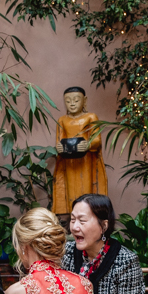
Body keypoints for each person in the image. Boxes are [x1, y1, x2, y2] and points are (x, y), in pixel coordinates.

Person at [51, 87, 109, 217]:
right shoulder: (62, 120)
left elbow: (97, 140)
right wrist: (59, 147)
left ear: (85, 101)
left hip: (85, 162)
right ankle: (73, 218)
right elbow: (59, 140)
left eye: (76, 100)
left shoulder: (91, 117)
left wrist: (88, 145)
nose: (72, 104)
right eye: (68, 101)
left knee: (86, 190)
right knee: (70, 191)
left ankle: (87, 217)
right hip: (69, 162)